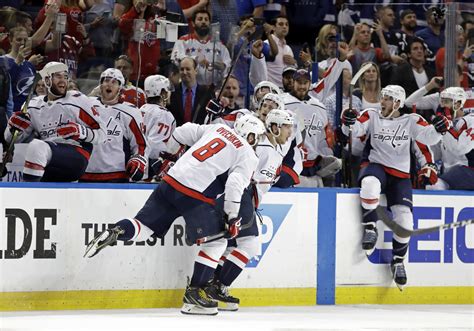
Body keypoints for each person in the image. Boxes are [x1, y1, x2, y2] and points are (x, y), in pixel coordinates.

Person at [84, 115, 264, 316]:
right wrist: (232, 216)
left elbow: (182, 131)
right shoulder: (248, 153)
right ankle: (194, 295)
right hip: (195, 193)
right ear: (251, 136)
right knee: (217, 243)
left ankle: (116, 230)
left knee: (143, 227)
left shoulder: (216, 129)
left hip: (171, 180)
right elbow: (234, 184)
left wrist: (168, 155)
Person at [341, 85, 449, 290]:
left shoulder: (411, 120)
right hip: (376, 166)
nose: (382, 102)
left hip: (400, 176)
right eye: (382, 98)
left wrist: (439, 129)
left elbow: (428, 137)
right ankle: (370, 227)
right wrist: (348, 121)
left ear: (398, 103)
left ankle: (398, 260)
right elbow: (355, 130)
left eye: (388, 99)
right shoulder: (371, 115)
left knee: (405, 221)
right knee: (370, 184)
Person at [207, 108, 295, 311]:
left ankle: (210, 287)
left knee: (229, 246)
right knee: (250, 245)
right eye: (287, 127)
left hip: (245, 199)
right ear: (274, 127)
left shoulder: (274, 150)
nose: (290, 132)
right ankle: (218, 286)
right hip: (241, 195)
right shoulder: (261, 146)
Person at [4, 61, 107, 182]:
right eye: (58, 76)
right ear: (47, 80)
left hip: (77, 154)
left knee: (37, 147)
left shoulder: (77, 100)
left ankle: (29, 195)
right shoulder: (33, 105)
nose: (63, 80)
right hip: (49, 159)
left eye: (65, 76)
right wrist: (12, 128)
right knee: (38, 155)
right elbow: (11, 139)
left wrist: (81, 131)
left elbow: (103, 134)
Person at [80, 68, 147, 182]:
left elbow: (140, 144)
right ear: (100, 85)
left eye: (114, 82)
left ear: (120, 88)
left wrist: (138, 160)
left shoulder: (130, 112)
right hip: (86, 173)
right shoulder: (87, 105)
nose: (109, 84)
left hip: (117, 175)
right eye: (106, 80)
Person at [405, 81, 474, 190]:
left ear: (458, 104)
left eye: (446, 101)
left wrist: (445, 127)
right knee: (429, 183)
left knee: (434, 186)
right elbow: (436, 152)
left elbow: (459, 148)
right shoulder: (444, 124)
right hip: (450, 173)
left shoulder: (471, 120)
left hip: (468, 171)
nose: (441, 105)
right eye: (441, 101)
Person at [283, 68, 340, 187]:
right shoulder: (283, 103)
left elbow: (324, 139)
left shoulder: (319, 107)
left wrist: (323, 159)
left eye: (305, 83)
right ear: (293, 83)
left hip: (312, 168)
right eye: (299, 82)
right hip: (289, 165)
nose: (302, 86)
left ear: (310, 84)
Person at [171, 9, 231, 87]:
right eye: (200, 19)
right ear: (193, 23)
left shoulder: (219, 45)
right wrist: (195, 59)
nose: (203, 22)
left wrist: (215, 65)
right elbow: (176, 58)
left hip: (212, 89)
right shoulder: (183, 41)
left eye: (206, 19)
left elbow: (227, 65)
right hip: (189, 87)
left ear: (209, 24)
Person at [140, 74, 176, 179]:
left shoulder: (142, 108)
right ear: (162, 93)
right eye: (167, 90)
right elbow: (155, 147)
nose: (169, 93)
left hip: (135, 164)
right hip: (148, 170)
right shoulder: (164, 114)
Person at [169, 56, 214, 126]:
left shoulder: (207, 93)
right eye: (182, 69)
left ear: (196, 71)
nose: (184, 72)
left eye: (188, 69)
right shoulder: (172, 92)